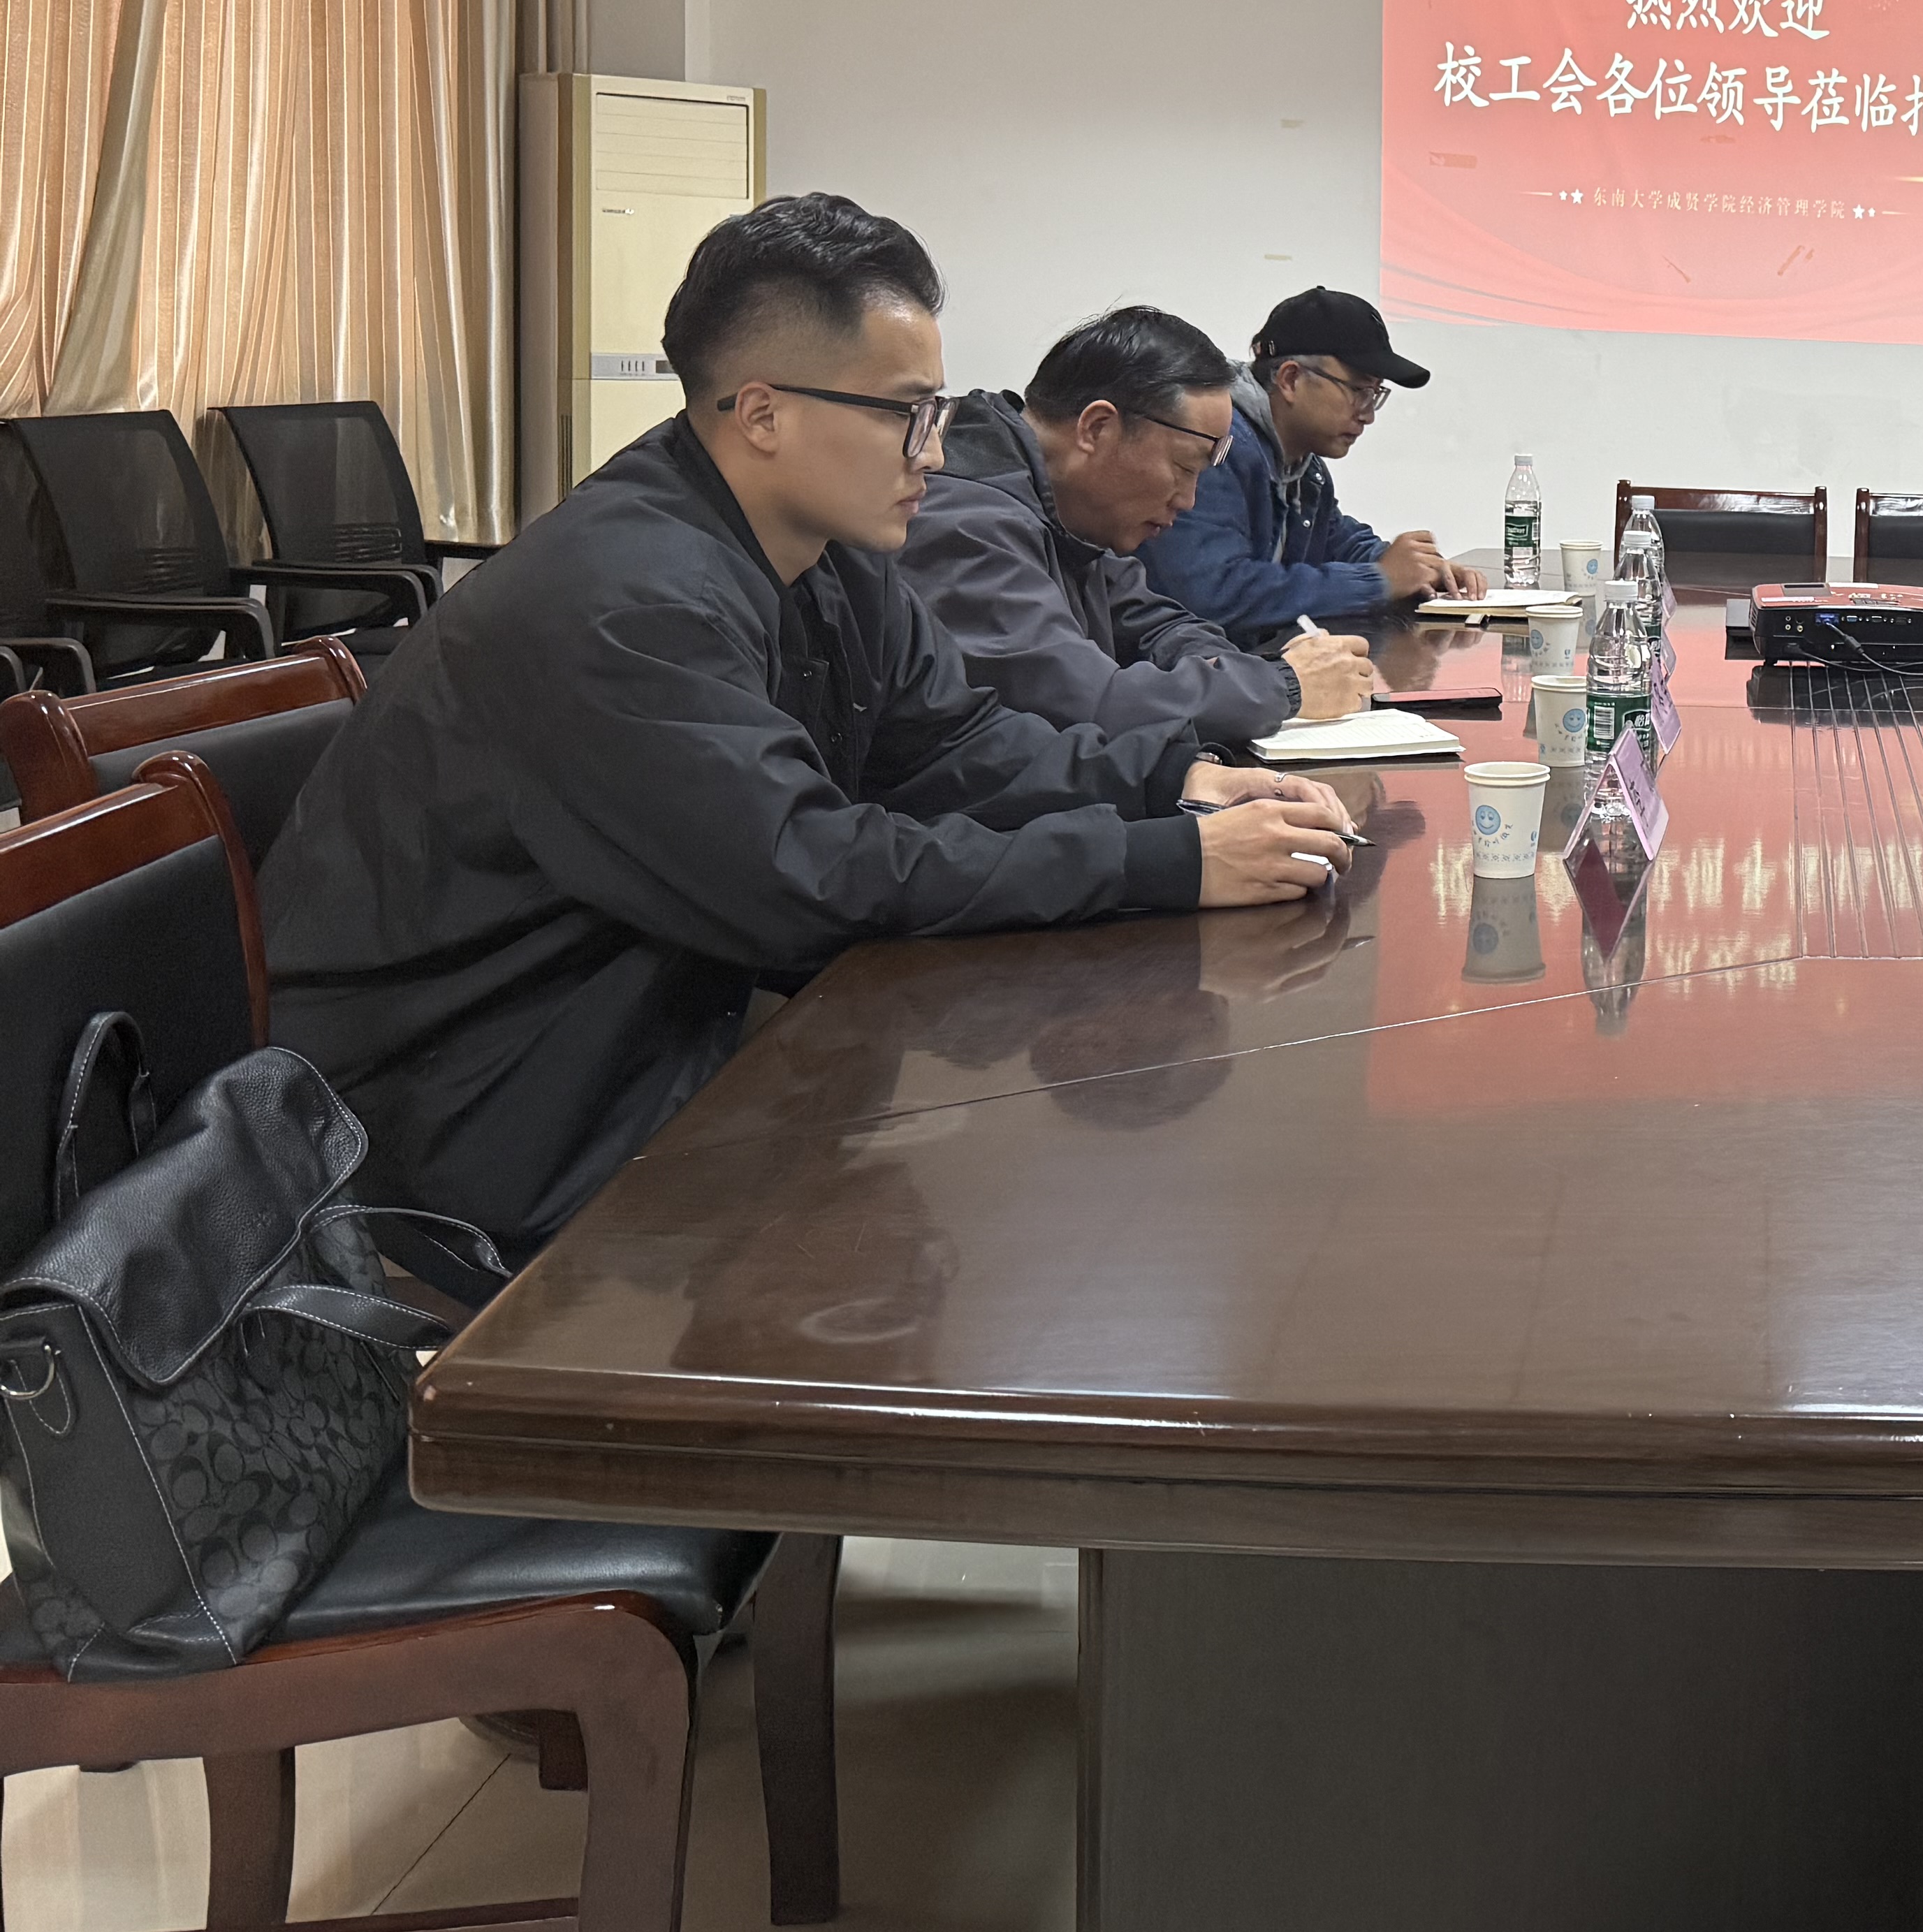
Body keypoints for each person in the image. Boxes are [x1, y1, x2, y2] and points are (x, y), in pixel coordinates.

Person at [261, 195, 1357, 1268]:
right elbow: (809, 878)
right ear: (764, 413)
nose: (937, 453)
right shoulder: (624, 600)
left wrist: (1174, 784)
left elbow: (954, 746)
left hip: (652, 1015)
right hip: (474, 1105)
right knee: (1005, 1212)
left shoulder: (829, 554)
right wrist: (1165, 861)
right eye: (908, 414)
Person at [904, 303, 1376, 745]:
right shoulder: (967, 524)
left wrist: (1240, 673)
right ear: (1097, 428)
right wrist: (1283, 686)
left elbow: (1157, 624)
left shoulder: (1065, 512)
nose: (1189, 500)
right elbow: (1089, 703)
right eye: (1185, 467)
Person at [1143, 286, 1485, 643]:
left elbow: (1335, 539)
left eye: (1375, 395)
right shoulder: (1222, 447)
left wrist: (1417, 567)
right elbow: (1214, 593)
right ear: (1290, 380)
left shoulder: (1304, 466)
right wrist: (1380, 580)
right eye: (1358, 391)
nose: (1368, 415)